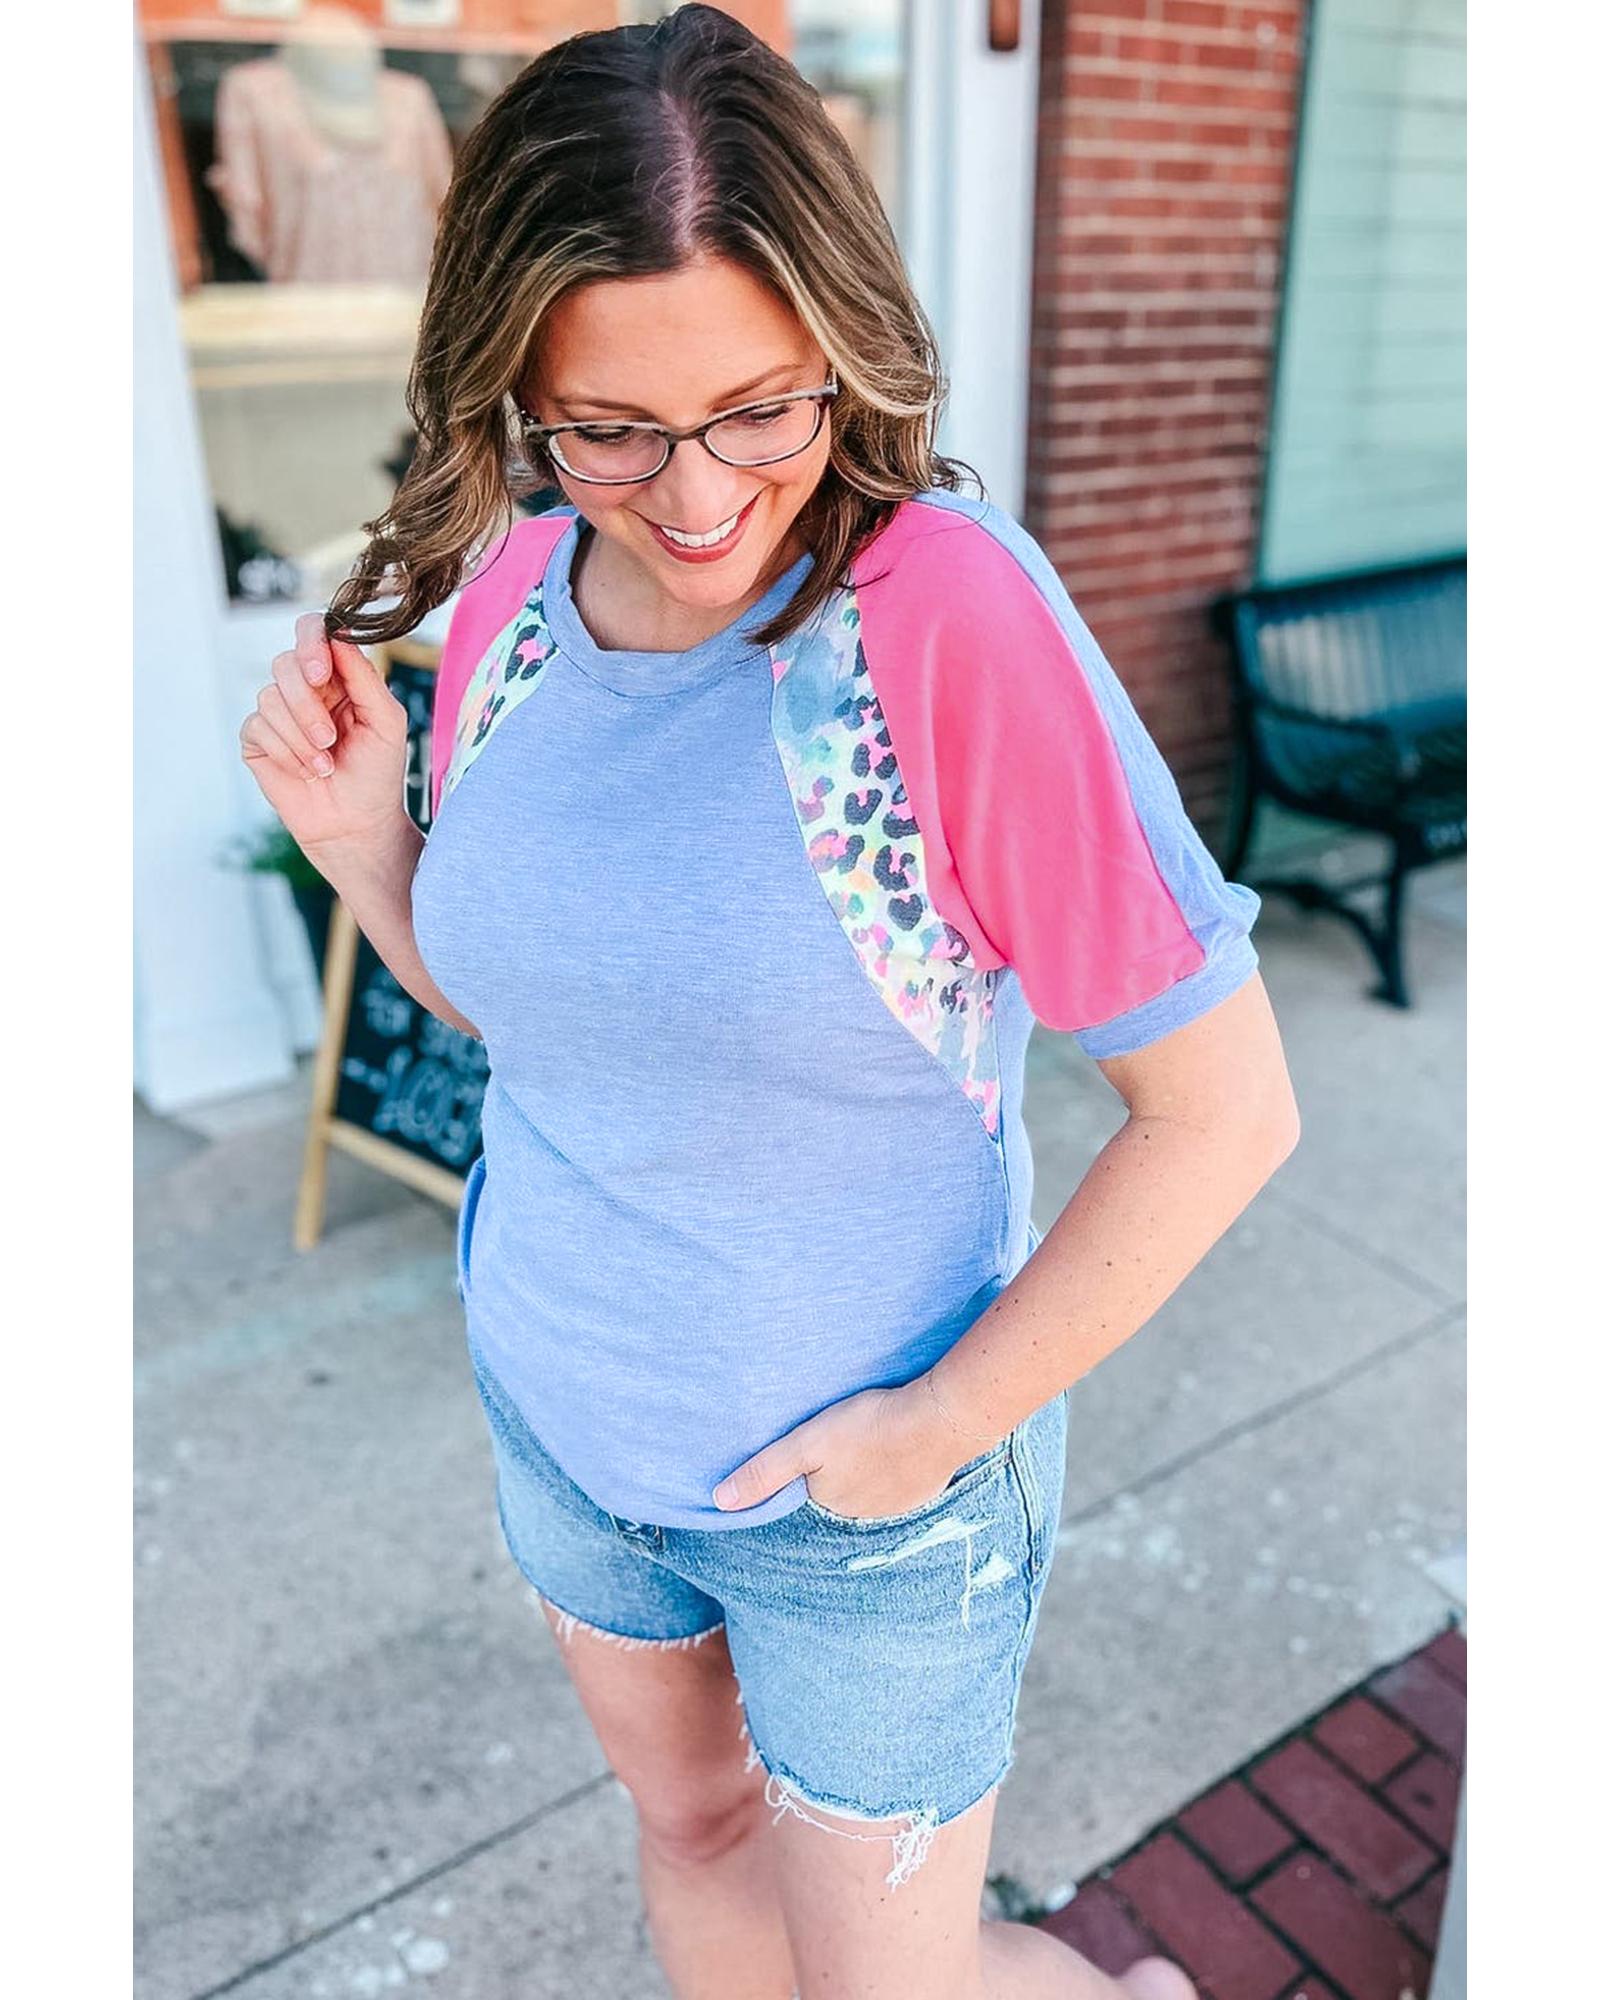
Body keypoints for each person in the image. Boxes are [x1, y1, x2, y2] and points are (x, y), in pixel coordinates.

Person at [238, 9, 1300, 1997]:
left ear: (843, 343)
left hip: (870, 1505)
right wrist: (369, 851)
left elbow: (1224, 1111)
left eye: (758, 407)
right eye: (611, 427)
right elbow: (549, 1023)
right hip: (566, 1420)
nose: (697, 490)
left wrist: (937, 1429)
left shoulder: (943, 621)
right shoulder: (513, 596)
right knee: (695, 1836)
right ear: (515, 393)